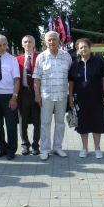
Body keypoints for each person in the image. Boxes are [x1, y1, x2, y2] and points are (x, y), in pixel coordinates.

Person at [33, 31, 73, 161]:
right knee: (45, 123)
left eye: (54, 39)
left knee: (60, 122)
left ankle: (57, 147)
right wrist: (37, 95)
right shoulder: (41, 57)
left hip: (62, 95)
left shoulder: (66, 56)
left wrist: (70, 96)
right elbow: (36, 78)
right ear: (45, 42)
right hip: (46, 96)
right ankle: (44, 149)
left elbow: (71, 78)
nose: (51, 42)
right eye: (49, 40)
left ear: (59, 41)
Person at [68, 38, 104, 159]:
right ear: (78, 50)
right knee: (83, 123)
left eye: (85, 46)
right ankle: (84, 148)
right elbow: (71, 82)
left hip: (97, 98)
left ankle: (97, 148)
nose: (83, 49)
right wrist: (70, 99)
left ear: (90, 48)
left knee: (97, 122)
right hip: (80, 99)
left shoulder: (98, 62)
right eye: (81, 47)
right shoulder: (74, 64)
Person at [0, 34, 20, 160]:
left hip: (8, 96)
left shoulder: (13, 60)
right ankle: (2, 148)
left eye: (3, 45)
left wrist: (14, 98)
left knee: (11, 124)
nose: (1, 47)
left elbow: (17, 80)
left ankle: (11, 150)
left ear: (7, 45)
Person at [16, 35, 41, 156]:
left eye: (30, 42)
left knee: (37, 120)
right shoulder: (17, 59)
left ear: (34, 44)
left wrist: (39, 94)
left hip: (36, 92)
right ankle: (25, 144)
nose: (28, 44)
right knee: (23, 120)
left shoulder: (40, 58)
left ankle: (36, 145)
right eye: (25, 42)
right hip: (23, 92)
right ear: (22, 44)